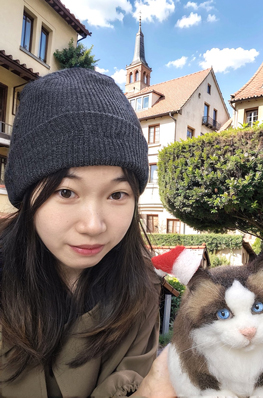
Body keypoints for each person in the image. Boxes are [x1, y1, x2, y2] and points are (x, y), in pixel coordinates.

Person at [0, 68, 175, 398]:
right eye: (66, 193)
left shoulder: (139, 290)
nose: (94, 225)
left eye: (117, 195)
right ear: (26, 195)